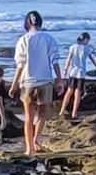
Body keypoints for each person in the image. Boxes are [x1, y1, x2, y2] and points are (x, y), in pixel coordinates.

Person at [9, 10, 61, 155]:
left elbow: (20, 64)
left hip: (27, 82)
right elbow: (55, 60)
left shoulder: (23, 40)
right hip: (45, 80)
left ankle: (29, 148)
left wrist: (14, 84)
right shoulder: (48, 38)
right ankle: (36, 139)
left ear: (27, 23)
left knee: (28, 117)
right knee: (42, 115)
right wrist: (59, 79)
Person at [60, 32, 96, 120]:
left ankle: (62, 110)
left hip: (72, 72)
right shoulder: (86, 48)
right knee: (77, 93)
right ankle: (74, 113)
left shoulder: (73, 47)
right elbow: (91, 59)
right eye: (88, 40)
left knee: (69, 91)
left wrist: (65, 70)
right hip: (81, 73)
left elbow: (68, 59)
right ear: (85, 39)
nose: (88, 42)